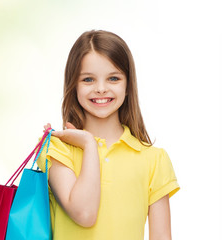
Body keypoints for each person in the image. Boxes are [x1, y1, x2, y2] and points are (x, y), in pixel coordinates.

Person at [36, 30, 180, 240]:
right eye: (88, 79)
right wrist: (89, 144)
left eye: (113, 78)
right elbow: (84, 213)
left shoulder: (154, 159)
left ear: (128, 85)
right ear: (73, 85)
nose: (101, 89)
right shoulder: (57, 150)